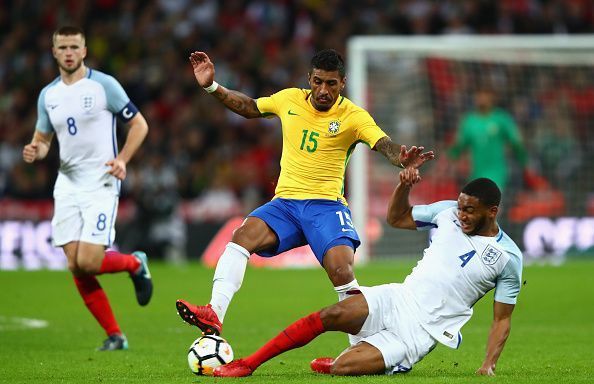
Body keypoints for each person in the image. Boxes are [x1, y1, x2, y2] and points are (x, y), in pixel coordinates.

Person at [176, 49, 435, 338]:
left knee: (341, 271)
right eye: (318, 82)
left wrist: (402, 158)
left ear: (343, 83)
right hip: (285, 204)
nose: (324, 90)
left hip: (325, 206)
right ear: (309, 79)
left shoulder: (353, 116)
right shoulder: (288, 99)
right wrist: (212, 86)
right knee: (241, 238)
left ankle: (366, 343)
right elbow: (250, 107)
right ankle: (214, 314)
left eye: (331, 84)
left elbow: (384, 144)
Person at [212, 170, 523, 377]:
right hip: (397, 297)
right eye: (461, 207)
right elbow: (397, 217)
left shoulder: (508, 258)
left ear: (492, 211)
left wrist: (488, 365)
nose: (462, 215)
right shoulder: (446, 213)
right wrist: (404, 186)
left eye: (470, 210)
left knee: (343, 369)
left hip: (420, 333)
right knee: (330, 314)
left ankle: (356, 362)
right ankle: (248, 364)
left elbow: (502, 319)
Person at [22, 26, 152, 351]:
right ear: (54, 52)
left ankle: (135, 264)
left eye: (74, 46)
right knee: (74, 265)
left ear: (84, 51)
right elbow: (43, 140)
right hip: (66, 184)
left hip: (101, 182)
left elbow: (139, 124)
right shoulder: (48, 95)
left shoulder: (103, 85)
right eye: (62, 47)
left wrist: (122, 159)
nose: (68, 52)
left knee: (90, 262)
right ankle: (115, 336)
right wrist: (35, 150)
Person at [448, 87, 529, 192]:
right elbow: (458, 146)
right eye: (479, 95)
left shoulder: (501, 118)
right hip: (475, 174)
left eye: (485, 95)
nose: (481, 98)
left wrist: (523, 161)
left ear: (492, 98)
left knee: (493, 204)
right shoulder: (469, 121)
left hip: (497, 173)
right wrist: (449, 160)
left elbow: (516, 141)